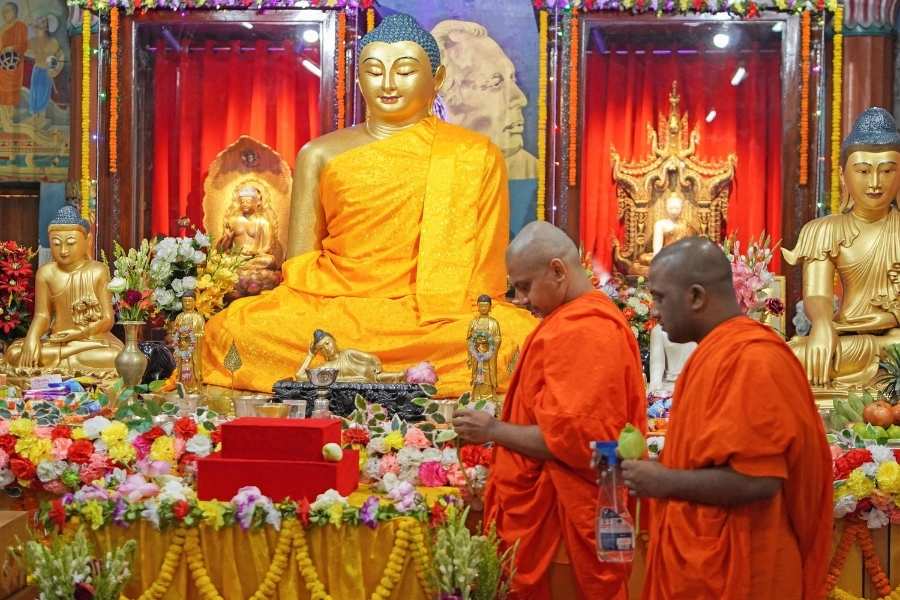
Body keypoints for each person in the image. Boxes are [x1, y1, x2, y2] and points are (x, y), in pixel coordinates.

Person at [202, 13, 537, 395]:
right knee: (232, 329)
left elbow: (484, 273)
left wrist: (452, 311)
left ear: (438, 79)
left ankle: (343, 372)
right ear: (359, 77)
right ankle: (400, 375)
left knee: (514, 335)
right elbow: (299, 265)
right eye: (374, 71)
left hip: (430, 318)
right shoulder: (320, 153)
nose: (388, 84)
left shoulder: (475, 153)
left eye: (406, 71)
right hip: (335, 305)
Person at [622, 237, 832, 600]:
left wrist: (666, 481)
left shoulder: (754, 360)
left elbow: (760, 481)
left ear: (696, 297)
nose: (653, 312)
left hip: (747, 569)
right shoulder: (713, 353)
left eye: (659, 298)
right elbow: (707, 457)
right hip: (703, 563)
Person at [454, 221, 647, 599]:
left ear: (558, 270)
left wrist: (491, 430)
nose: (521, 299)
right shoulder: (572, 320)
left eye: (525, 286)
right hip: (554, 513)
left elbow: (574, 441)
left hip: (562, 521)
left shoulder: (585, 331)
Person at [782, 106, 900, 390]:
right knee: (792, 357)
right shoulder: (824, 230)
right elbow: (818, 293)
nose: (875, 183)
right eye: (863, 171)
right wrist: (822, 324)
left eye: (887, 171)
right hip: (844, 338)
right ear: (843, 174)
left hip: (893, 342)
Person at [431, 19, 537, 236]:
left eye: (512, 79)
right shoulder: (415, 168)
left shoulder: (530, 170)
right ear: (445, 96)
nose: (521, 99)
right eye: (495, 83)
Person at [4, 204, 123, 370]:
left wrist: (79, 334)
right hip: (56, 343)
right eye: (56, 243)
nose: (64, 250)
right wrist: (32, 338)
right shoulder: (45, 273)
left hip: (90, 342)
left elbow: (107, 319)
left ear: (87, 241)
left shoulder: (98, 271)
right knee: (14, 353)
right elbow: (42, 316)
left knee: (116, 357)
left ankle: (61, 365)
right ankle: (68, 365)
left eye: (71, 243)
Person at [0, 2, 27, 127]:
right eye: (3, 12)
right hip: (2, 65)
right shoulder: (3, 28)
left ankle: (9, 119)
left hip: (13, 65)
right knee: (2, 91)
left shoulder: (21, 26)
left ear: (15, 12)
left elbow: (24, 45)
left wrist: (12, 48)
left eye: (8, 11)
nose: (5, 14)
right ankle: (3, 118)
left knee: (11, 91)